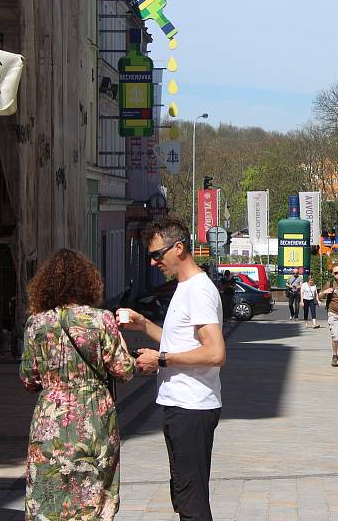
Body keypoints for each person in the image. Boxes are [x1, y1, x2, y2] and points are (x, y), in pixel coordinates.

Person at [117, 217, 225, 521]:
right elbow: (177, 340)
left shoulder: (198, 290)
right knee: (183, 494)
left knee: (191, 501)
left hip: (192, 407)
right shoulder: (185, 287)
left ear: (178, 248)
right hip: (180, 404)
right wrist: (142, 324)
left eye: (156, 255)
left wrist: (161, 360)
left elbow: (215, 352)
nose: (153, 263)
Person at [19, 249, 135, 521]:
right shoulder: (101, 320)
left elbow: (28, 379)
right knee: (93, 492)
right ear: (88, 282)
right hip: (94, 417)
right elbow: (124, 370)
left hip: (50, 420)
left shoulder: (36, 323)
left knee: (49, 495)